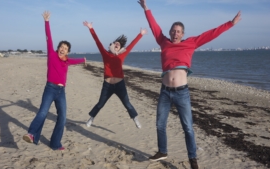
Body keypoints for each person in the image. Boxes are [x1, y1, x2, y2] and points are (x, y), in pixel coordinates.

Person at [138, 0, 241, 168]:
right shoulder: (163, 42)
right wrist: (146, 8)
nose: (175, 33)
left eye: (178, 31)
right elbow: (154, 26)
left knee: (188, 127)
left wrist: (230, 23)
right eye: (173, 31)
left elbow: (211, 34)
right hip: (165, 91)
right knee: (160, 124)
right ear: (170, 32)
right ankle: (162, 151)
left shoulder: (191, 43)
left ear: (183, 33)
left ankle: (193, 159)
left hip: (182, 93)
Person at [23, 11, 86, 150]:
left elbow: (75, 61)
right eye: (61, 47)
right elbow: (48, 38)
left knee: (62, 117)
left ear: (68, 52)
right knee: (43, 112)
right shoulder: (52, 54)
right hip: (50, 89)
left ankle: (55, 143)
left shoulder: (67, 60)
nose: (63, 49)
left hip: (61, 91)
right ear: (58, 48)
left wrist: (84, 60)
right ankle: (32, 134)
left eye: (66, 48)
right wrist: (46, 22)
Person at [83, 21, 147, 129]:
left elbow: (131, 45)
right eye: (116, 43)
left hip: (119, 85)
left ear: (120, 47)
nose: (117, 45)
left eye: (119, 44)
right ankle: (91, 118)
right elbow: (97, 41)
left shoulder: (122, 55)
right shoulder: (105, 54)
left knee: (127, 104)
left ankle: (135, 118)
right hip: (107, 85)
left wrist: (140, 34)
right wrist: (91, 28)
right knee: (100, 104)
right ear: (112, 45)